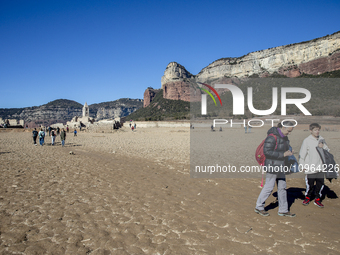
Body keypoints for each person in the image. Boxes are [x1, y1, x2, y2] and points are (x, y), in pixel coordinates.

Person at [255, 121, 296, 217]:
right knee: (269, 187)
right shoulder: (272, 137)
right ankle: (259, 207)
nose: (289, 133)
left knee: (282, 187)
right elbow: (267, 152)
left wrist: (289, 153)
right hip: (272, 166)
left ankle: (283, 209)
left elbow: (282, 149)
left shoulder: (285, 138)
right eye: (289, 131)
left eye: (291, 131)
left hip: (281, 165)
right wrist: (283, 154)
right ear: (283, 127)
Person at [299, 123, 330, 208]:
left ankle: (317, 199)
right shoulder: (307, 140)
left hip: (320, 167)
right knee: (310, 184)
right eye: (315, 130)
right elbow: (302, 154)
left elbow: (327, 152)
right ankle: (308, 197)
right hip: (310, 168)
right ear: (311, 131)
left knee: (320, 184)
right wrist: (302, 165)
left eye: (318, 130)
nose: (317, 132)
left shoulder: (322, 139)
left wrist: (323, 147)